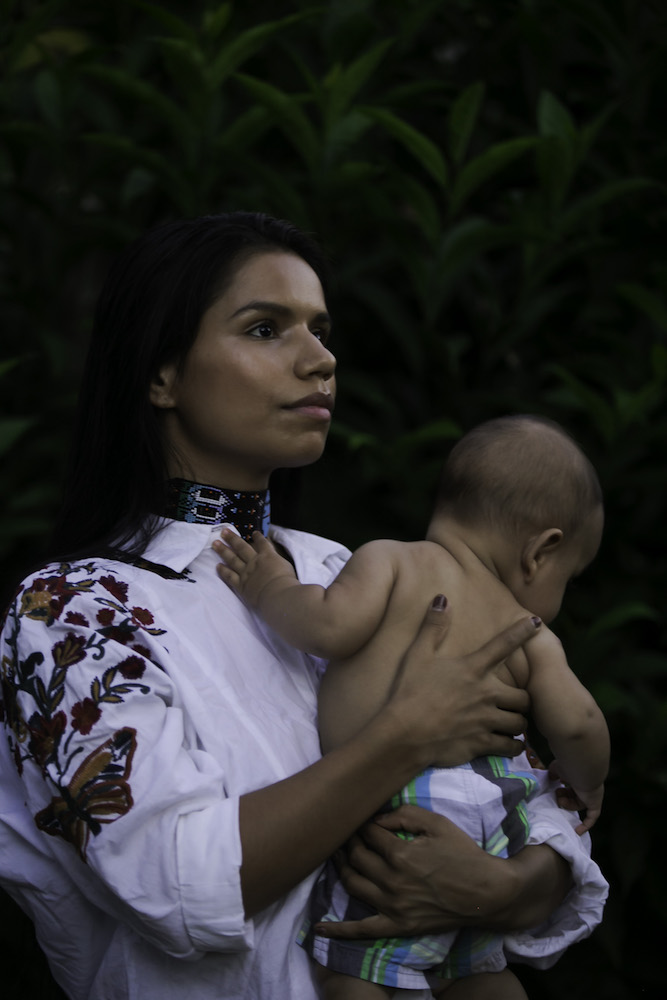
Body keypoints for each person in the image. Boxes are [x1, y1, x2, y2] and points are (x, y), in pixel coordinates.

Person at [0, 213, 607, 1000]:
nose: (321, 359)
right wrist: (404, 736)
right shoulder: (75, 613)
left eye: (321, 330)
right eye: (265, 328)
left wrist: (502, 889)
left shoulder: (355, 572)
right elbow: (180, 890)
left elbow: (532, 795)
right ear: (162, 376)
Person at [215, 413, 610, 998]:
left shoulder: (391, 562)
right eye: (569, 577)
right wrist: (587, 783)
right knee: (482, 977)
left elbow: (324, 627)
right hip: (490, 831)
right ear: (540, 552)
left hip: (393, 816)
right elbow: (579, 724)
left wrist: (267, 585)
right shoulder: (528, 633)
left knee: (352, 973)